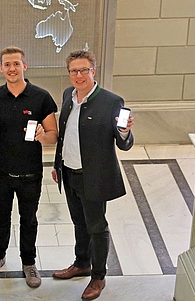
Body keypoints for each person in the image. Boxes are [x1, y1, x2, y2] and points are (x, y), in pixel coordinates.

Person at [51, 50, 134, 300]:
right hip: (69, 171)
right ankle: (81, 263)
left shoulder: (111, 101)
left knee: (97, 227)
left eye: (83, 70)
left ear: (93, 71)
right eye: (74, 71)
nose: (78, 75)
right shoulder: (68, 96)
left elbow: (125, 144)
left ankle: (98, 276)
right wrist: (58, 164)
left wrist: (124, 132)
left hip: (94, 176)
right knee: (79, 222)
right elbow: (65, 135)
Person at [0, 46, 58, 288]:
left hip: (30, 174)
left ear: (25, 66)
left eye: (16, 64)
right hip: (1, 172)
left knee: (29, 219)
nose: (12, 68)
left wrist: (41, 136)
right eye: (7, 64)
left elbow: (53, 134)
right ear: (1, 68)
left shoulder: (41, 97)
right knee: (0, 217)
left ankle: (29, 262)